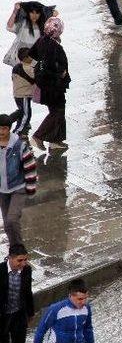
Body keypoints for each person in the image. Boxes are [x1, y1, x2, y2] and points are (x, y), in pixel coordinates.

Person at [29, 18, 71, 151]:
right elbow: (49, 66)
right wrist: (60, 74)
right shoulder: (53, 46)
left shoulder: (42, 40)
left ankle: (55, 140)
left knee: (58, 111)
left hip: (46, 85)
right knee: (57, 112)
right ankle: (38, 136)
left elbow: (32, 55)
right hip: (53, 86)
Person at [0, 114, 37, 248]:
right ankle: (14, 250)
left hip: (18, 188)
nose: (1, 132)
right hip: (2, 191)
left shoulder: (18, 146)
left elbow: (30, 165)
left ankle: (19, 248)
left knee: (12, 219)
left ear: (9, 129)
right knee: (7, 224)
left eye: (4, 129)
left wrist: (31, 188)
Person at [34, 279, 94, 343]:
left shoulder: (87, 308)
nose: (84, 302)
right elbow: (41, 331)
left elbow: (88, 329)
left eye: (85, 298)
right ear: (70, 295)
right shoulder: (55, 309)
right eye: (80, 299)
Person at [0, 244, 34, 343]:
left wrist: (30, 312)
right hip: (3, 316)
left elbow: (28, 291)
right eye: (20, 260)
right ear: (10, 258)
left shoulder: (27, 270)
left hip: (19, 315)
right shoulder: (1, 270)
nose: (23, 264)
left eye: (25, 260)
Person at [4, 2, 45, 67]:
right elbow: (10, 26)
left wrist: (51, 14)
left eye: (37, 13)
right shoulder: (23, 23)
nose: (34, 15)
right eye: (32, 12)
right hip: (21, 58)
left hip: (36, 60)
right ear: (28, 13)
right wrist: (15, 11)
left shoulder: (43, 26)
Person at [11, 49, 35, 139]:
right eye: (30, 56)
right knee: (26, 114)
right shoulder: (28, 68)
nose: (32, 58)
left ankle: (18, 127)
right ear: (25, 58)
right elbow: (38, 77)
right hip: (24, 95)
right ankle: (17, 133)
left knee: (22, 112)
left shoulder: (16, 67)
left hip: (17, 94)